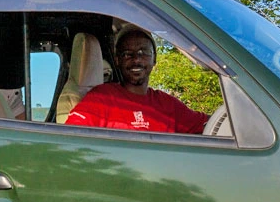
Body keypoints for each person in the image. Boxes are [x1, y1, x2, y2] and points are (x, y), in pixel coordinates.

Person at [65, 24, 209, 134]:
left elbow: (212, 125)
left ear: (154, 59)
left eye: (143, 52)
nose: (136, 59)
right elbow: (72, 138)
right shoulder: (101, 99)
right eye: (127, 54)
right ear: (117, 60)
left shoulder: (168, 104)